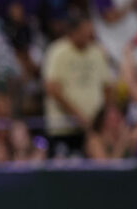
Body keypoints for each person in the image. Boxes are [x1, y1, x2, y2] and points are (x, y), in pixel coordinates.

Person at [42, 10, 113, 157]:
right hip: (63, 129)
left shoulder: (97, 52)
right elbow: (52, 89)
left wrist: (101, 118)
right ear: (74, 31)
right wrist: (78, 116)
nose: (90, 35)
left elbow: (107, 87)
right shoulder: (57, 51)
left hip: (93, 129)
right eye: (86, 31)